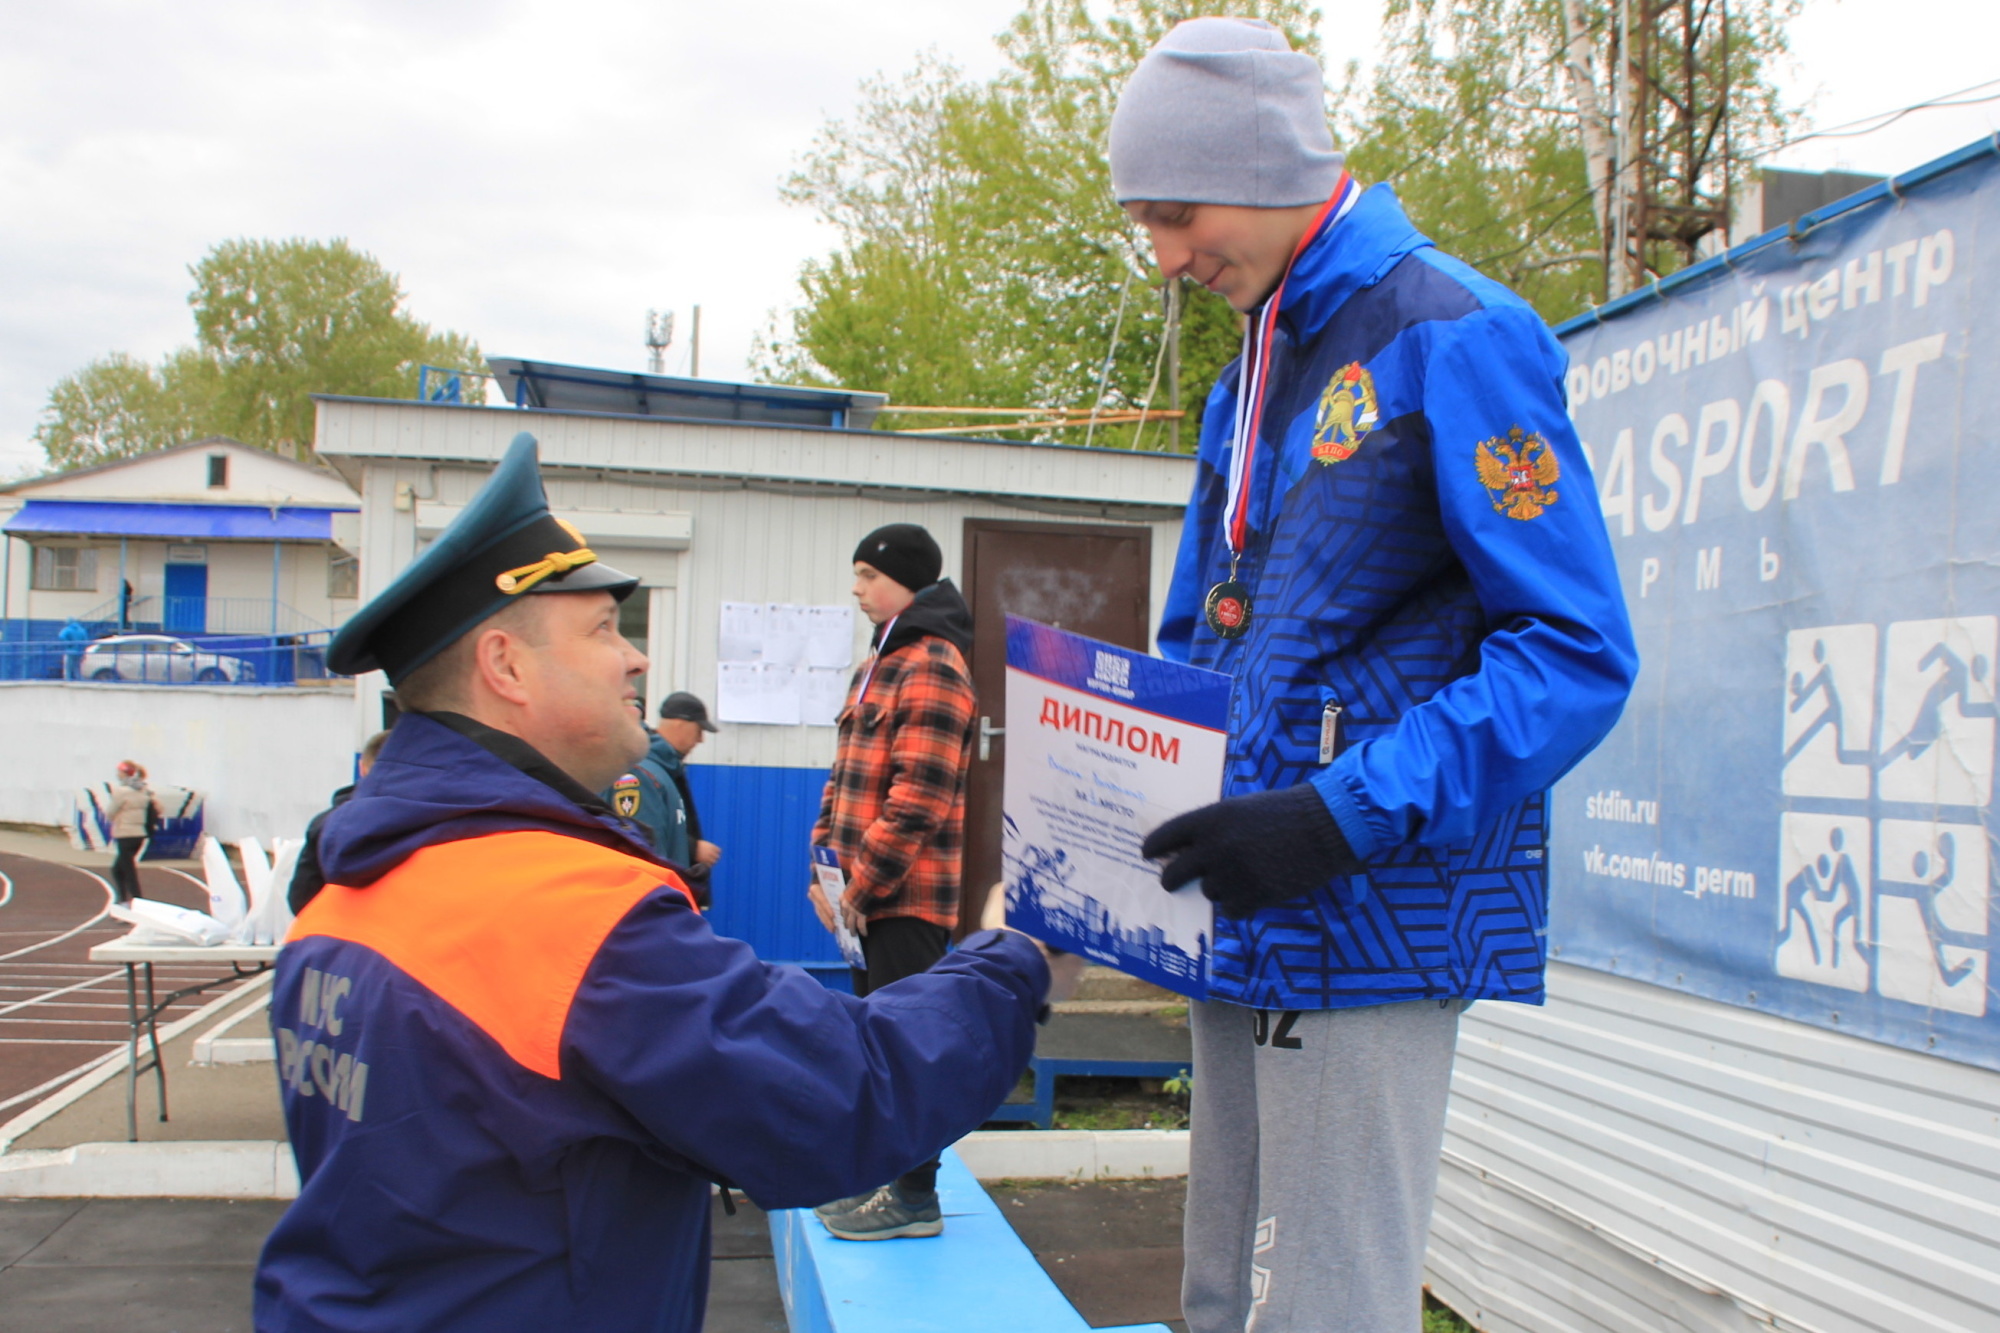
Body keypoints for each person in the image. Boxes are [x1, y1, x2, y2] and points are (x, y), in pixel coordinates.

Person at [255, 434, 1077, 1333]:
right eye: (606, 630)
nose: (637, 660)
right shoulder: (562, 912)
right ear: (505, 666)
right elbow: (846, 1095)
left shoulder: (337, 897)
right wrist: (1012, 959)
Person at [1109, 20, 1639, 1333]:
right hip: (1244, 896)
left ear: (1272, 165)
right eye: (1146, 225)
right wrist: (1123, 789)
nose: (1167, 259)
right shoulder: (1251, 370)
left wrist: (1341, 813)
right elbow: (1202, 636)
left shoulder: (1455, 331)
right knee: (1221, 1291)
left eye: (1177, 215)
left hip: (1378, 904)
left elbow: (1576, 652)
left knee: (1326, 1303)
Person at [804, 522, 977, 1241]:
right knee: (877, 1046)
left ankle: (915, 1197)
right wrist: (822, 872)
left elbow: (920, 798)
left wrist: (856, 888)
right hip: (863, 901)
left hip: (903, 899)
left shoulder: (934, 661)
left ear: (906, 579)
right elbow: (843, 781)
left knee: (909, 1049)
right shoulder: (878, 663)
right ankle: (886, 1177)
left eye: (868, 576)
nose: (856, 589)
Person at [603, 692, 721, 905]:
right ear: (679, 724)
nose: (700, 739)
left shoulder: (664, 769)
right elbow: (643, 850)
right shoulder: (642, 774)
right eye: (699, 730)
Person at [286, 729, 390, 915]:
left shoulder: (327, 824)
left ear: (362, 768)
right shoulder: (440, 822)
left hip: (345, 934)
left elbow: (302, 899)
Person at [105, 760, 158, 904]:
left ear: (124, 774)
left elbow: (110, 811)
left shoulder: (121, 792)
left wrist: (114, 819)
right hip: (139, 833)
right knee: (118, 869)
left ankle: (136, 900)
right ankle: (123, 899)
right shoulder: (143, 790)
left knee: (127, 870)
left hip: (125, 833)